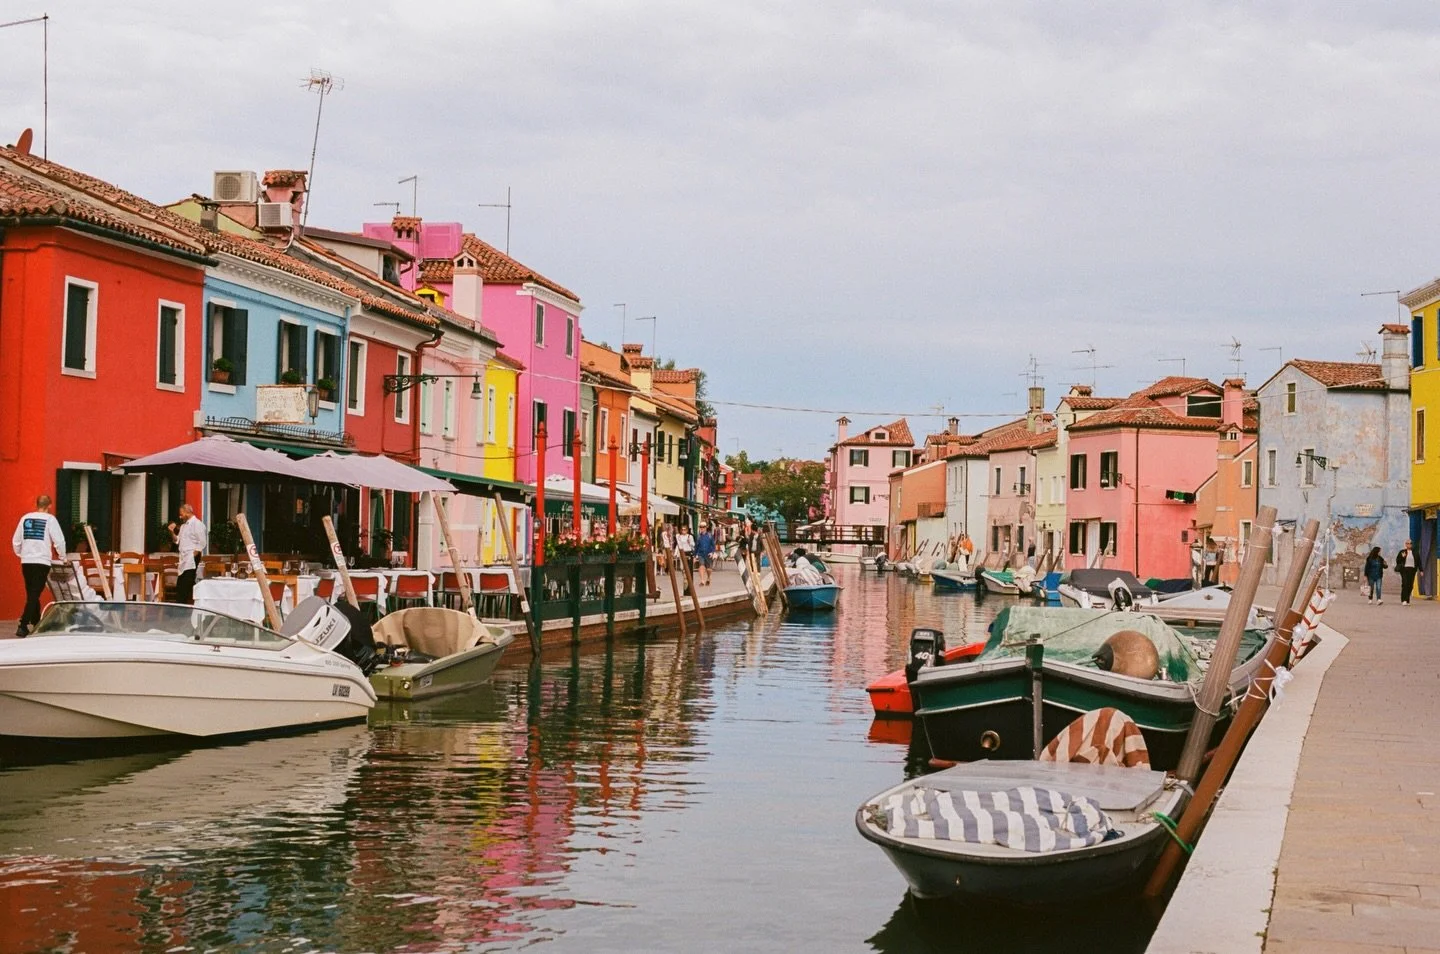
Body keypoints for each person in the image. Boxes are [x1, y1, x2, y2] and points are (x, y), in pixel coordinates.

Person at [11, 494, 66, 637]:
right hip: (41, 561)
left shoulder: (25, 518)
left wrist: (21, 553)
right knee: (34, 593)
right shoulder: (50, 519)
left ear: (36, 504)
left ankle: (36, 623)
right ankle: (22, 625)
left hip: (27, 561)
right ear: (50, 505)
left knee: (32, 593)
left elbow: (16, 540)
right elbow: (59, 540)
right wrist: (63, 557)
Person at [169, 503, 208, 605]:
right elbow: (177, 540)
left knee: (187, 582)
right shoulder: (183, 526)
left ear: (187, 512)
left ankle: (183, 605)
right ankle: (180, 604)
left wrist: (194, 554)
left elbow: (202, 542)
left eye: (181, 514)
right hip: (183, 558)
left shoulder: (197, 524)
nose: (180, 516)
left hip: (191, 557)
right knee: (181, 583)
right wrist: (172, 532)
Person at [1395, 540, 1418, 606]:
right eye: (1407, 543)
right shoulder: (1402, 552)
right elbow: (1398, 560)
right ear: (1405, 544)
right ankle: (1404, 600)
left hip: (1412, 570)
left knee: (1410, 585)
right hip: (1404, 569)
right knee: (1405, 584)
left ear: (1412, 544)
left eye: (1410, 543)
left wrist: (1421, 570)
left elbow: (1418, 561)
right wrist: (1403, 557)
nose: (1409, 545)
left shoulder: (1415, 552)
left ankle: (1407, 600)